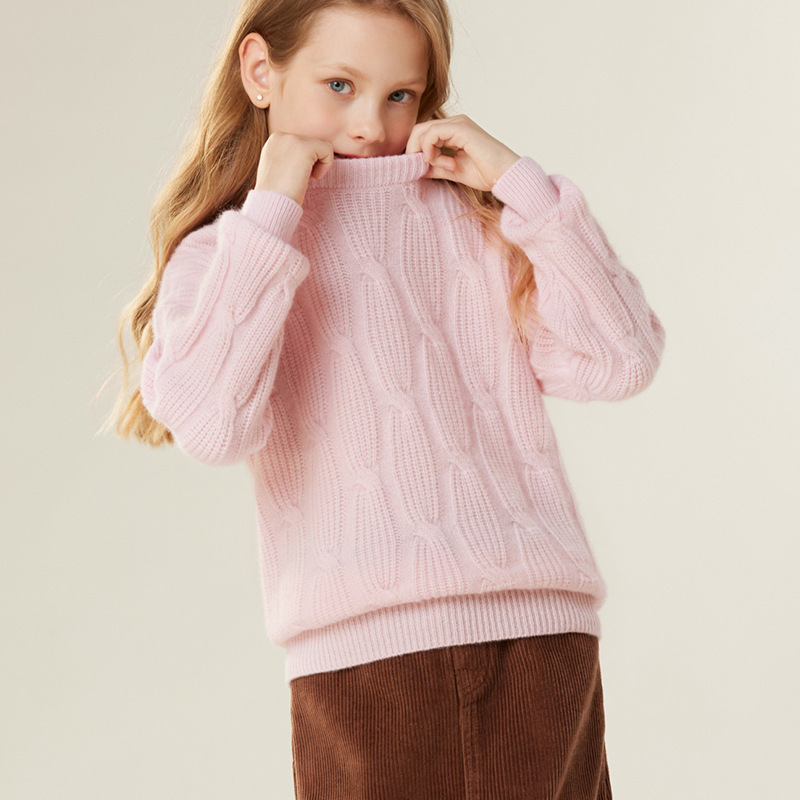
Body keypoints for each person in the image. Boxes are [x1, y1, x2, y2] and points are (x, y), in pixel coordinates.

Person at [113, 0, 664, 797]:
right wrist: (272, 211)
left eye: (400, 94)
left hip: (543, 644)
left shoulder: (476, 216)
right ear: (261, 71)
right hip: (364, 667)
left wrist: (522, 187)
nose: (371, 125)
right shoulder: (232, 253)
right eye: (339, 85)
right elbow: (211, 423)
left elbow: (621, 359)